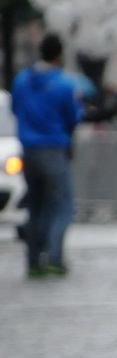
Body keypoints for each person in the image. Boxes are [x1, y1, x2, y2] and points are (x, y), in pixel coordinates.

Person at [11, 34, 82, 278]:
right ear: (59, 55)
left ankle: (33, 260)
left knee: (36, 206)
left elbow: (15, 109)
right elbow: (73, 116)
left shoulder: (22, 80)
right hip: (53, 148)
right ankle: (54, 257)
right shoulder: (64, 83)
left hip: (29, 150)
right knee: (62, 206)